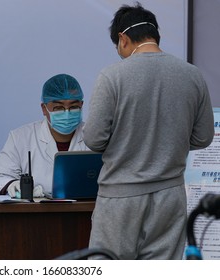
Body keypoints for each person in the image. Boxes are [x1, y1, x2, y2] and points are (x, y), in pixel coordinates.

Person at [83, 3, 214, 260]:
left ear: (123, 39)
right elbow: (203, 138)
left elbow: (94, 139)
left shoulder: (112, 76)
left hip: (120, 198)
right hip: (170, 196)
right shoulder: (192, 75)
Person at [0, 73, 89, 197]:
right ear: (44, 109)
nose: (67, 113)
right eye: (58, 108)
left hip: (86, 211)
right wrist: (12, 184)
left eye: (73, 107)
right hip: (35, 213)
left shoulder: (96, 135)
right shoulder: (21, 137)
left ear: (82, 105)